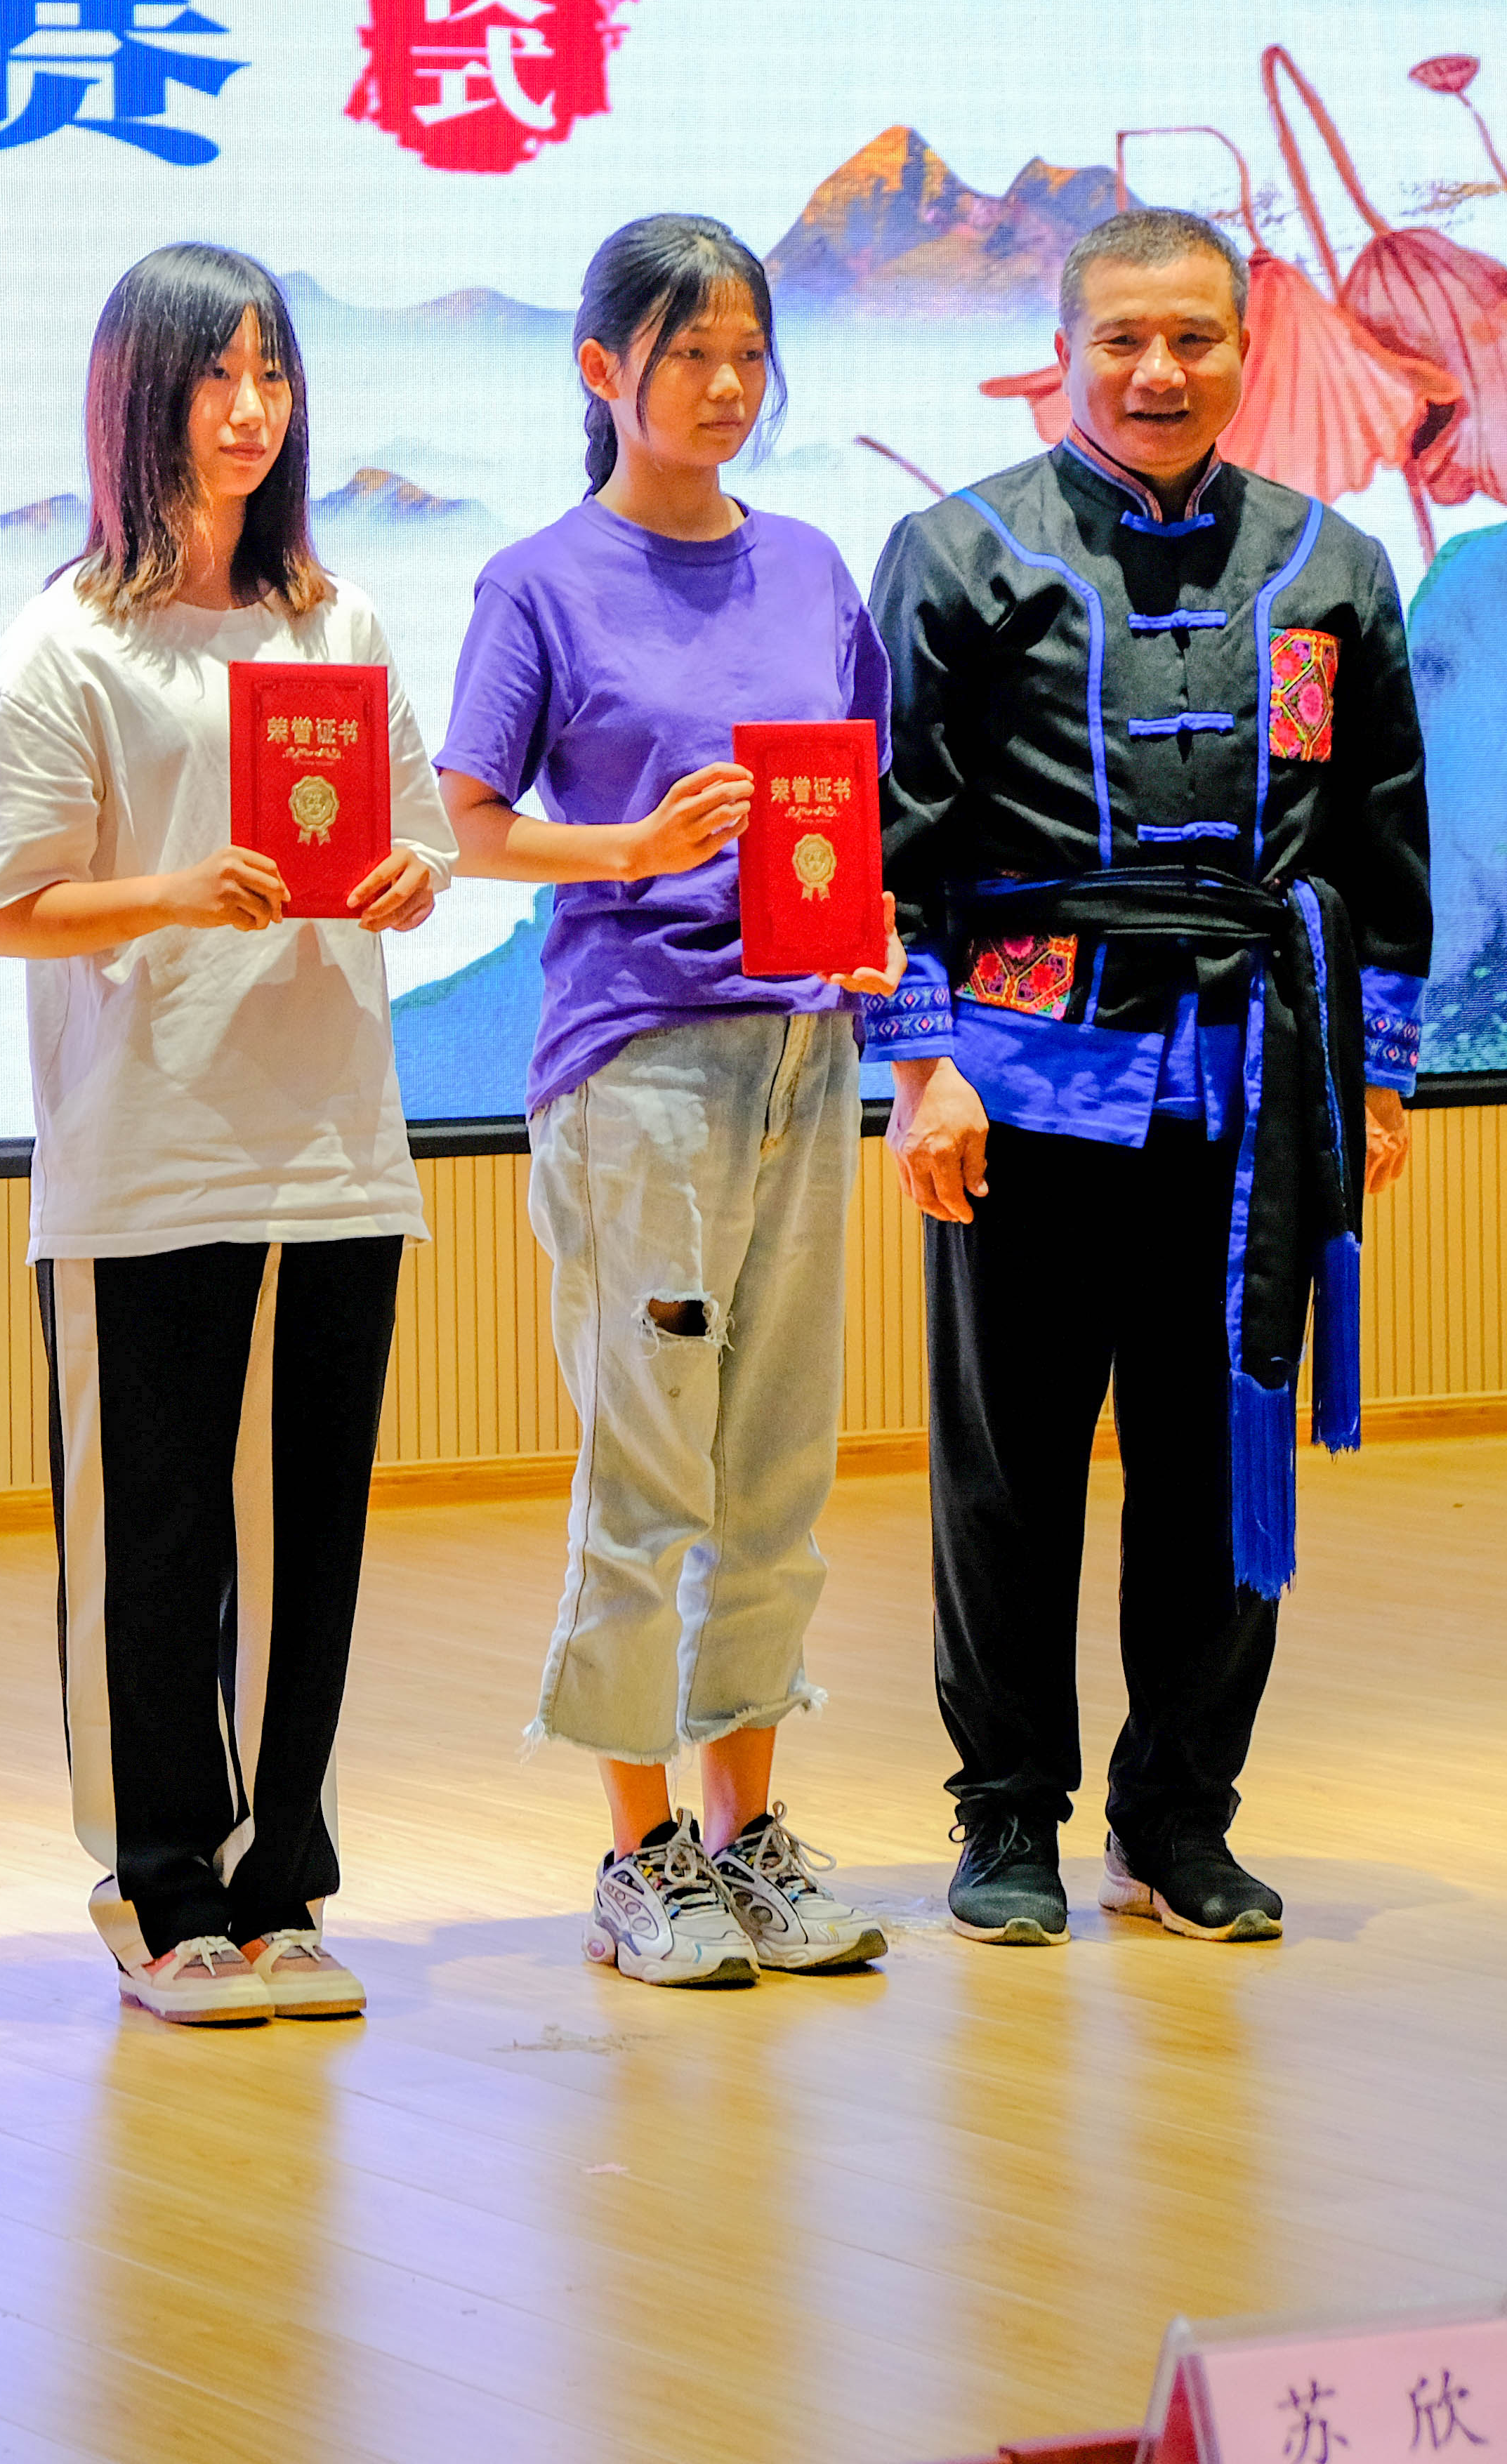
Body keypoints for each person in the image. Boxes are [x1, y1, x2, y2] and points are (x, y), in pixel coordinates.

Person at [869, 206, 1425, 1947]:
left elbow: (1385, 838)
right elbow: (897, 835)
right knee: (1008, 1467)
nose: (1159, 371)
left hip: (1256, 1093)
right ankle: (1006, 1816)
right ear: (1065, 352)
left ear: (1247, 349)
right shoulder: (958, 553)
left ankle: (1180, 1816)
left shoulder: (1336, 567)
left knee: (1216, 1456)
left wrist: (1378, 1078)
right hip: (1021, 1088)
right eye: (1123, 339)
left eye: (1194, 337)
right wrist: (921, 1065)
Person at [0, 245, 449, 2028]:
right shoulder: (68, 641)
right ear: (137, 397)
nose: (249, 411)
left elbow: (416, 837)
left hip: (333, 1142)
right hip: (147, 1147)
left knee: (310, 1534)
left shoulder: (340, 620)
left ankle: (282, 1878)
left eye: (273, 375)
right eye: (214, 376)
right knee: (153, 1541)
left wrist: (409, 876)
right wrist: (172, 891)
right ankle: (161, 1886)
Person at [433, 215, 898, 1989]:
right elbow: (466, 825)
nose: (723, 384)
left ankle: (746, 1830)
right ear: (601, 368)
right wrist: (629, 847)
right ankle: (638, 1852)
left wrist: (870, 943)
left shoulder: (812, 567)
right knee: (649, 1455)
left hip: (807, 1048)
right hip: (638, 1062)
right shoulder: (540, 582)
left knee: (775, 1457)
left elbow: (855, 801)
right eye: (687, 351)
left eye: (747, 353)